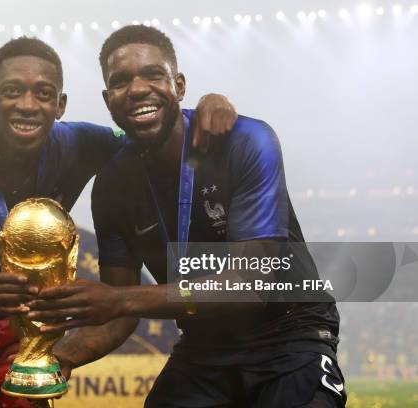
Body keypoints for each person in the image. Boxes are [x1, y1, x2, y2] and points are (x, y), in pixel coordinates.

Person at [0, 36, 238, 408]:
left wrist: (207, 105)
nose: (28, 105)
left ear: (60, 105)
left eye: (44, 94)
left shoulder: (82, 144)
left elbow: (154, 129)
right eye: (13, 91)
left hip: (18, 337)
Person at [27, 26, 346, 407]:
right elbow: (118, 313)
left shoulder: (245, 141)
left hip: (290, 335)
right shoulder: (112, 185)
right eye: (121, 81)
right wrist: (63, 356)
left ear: (179, 85)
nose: (138, 88)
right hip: (204, 345)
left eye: (153, 74)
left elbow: (249, 286)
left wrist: (120, 300)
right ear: (108, 99)